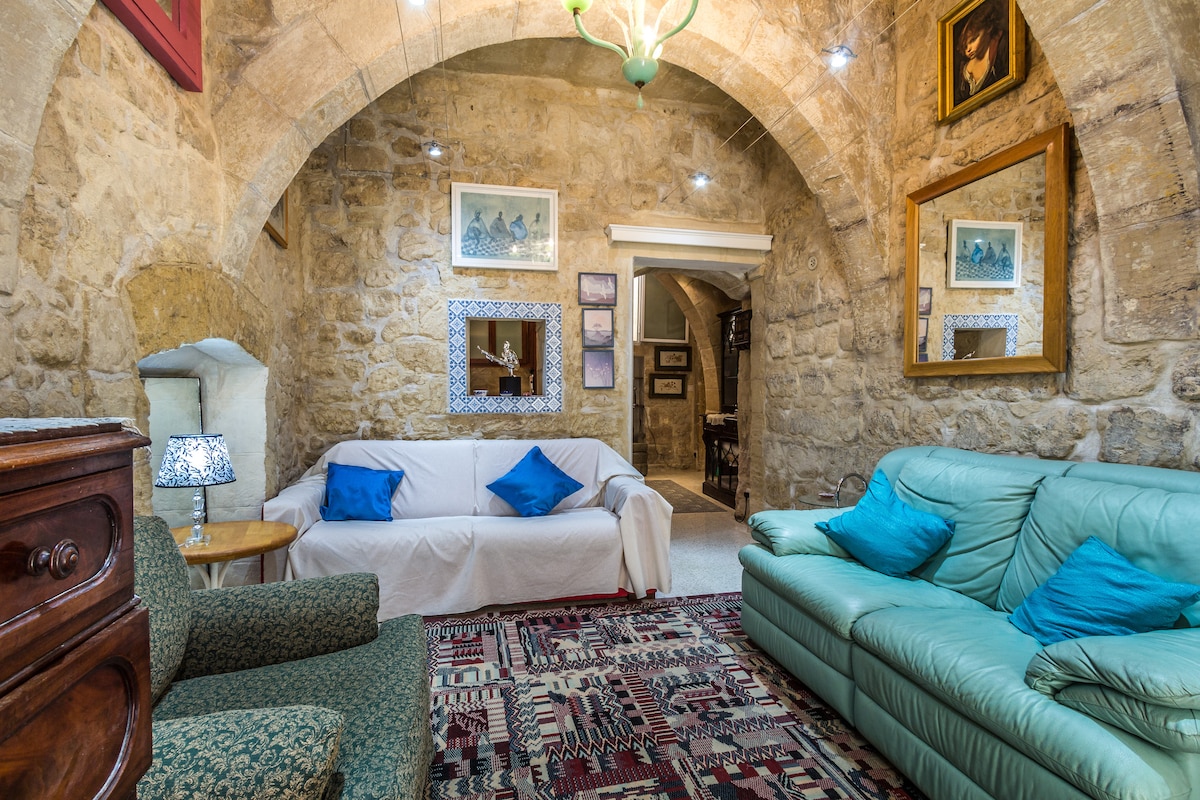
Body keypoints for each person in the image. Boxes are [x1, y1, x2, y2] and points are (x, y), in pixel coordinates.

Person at [955, 0, 1009, 103]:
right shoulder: (964, 71)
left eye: (973, 40)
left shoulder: (1002, 46)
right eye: (965, 46)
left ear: (988, 29)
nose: (968, 49)